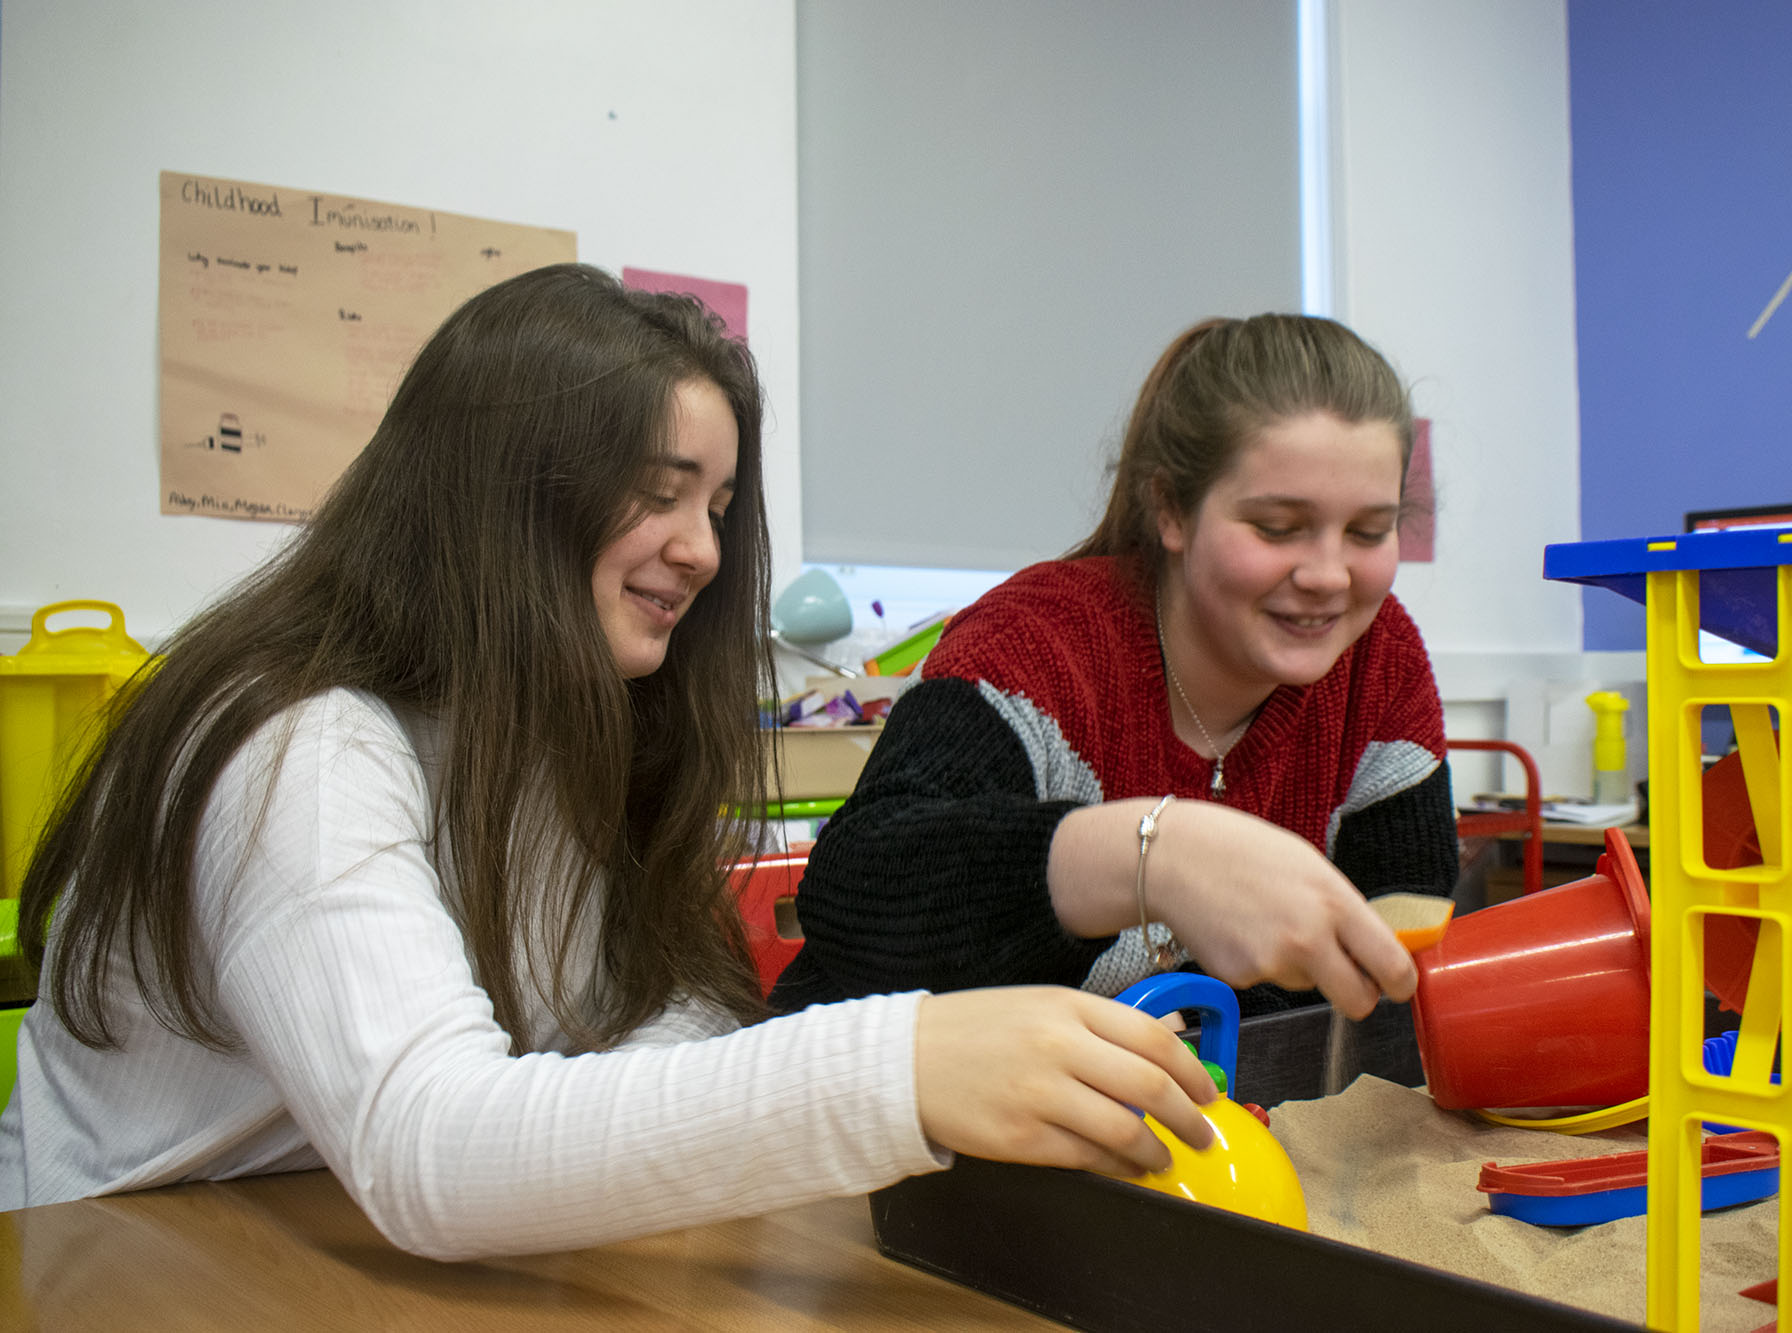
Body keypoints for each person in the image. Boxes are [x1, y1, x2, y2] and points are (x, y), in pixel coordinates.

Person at [0, 264, 1220, 1258]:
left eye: (719, 504)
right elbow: (432, 1146)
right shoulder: (298, 747)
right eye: (658, 492)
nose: (698, 550)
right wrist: (899, 1067)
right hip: (113, 1266)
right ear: (500, 494)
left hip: (337, 1249)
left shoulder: (574, 723)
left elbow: (654, 1012)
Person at [774, 314, 1458, 1086]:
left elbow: (1393, 955)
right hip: (881, 1137)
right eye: (1278, 527)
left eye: (1370, 531)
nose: (1330, 575)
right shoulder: (1035, 648)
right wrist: (1154, 856)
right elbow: (857, 891)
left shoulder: (1379, 659)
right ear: (1169, 510)